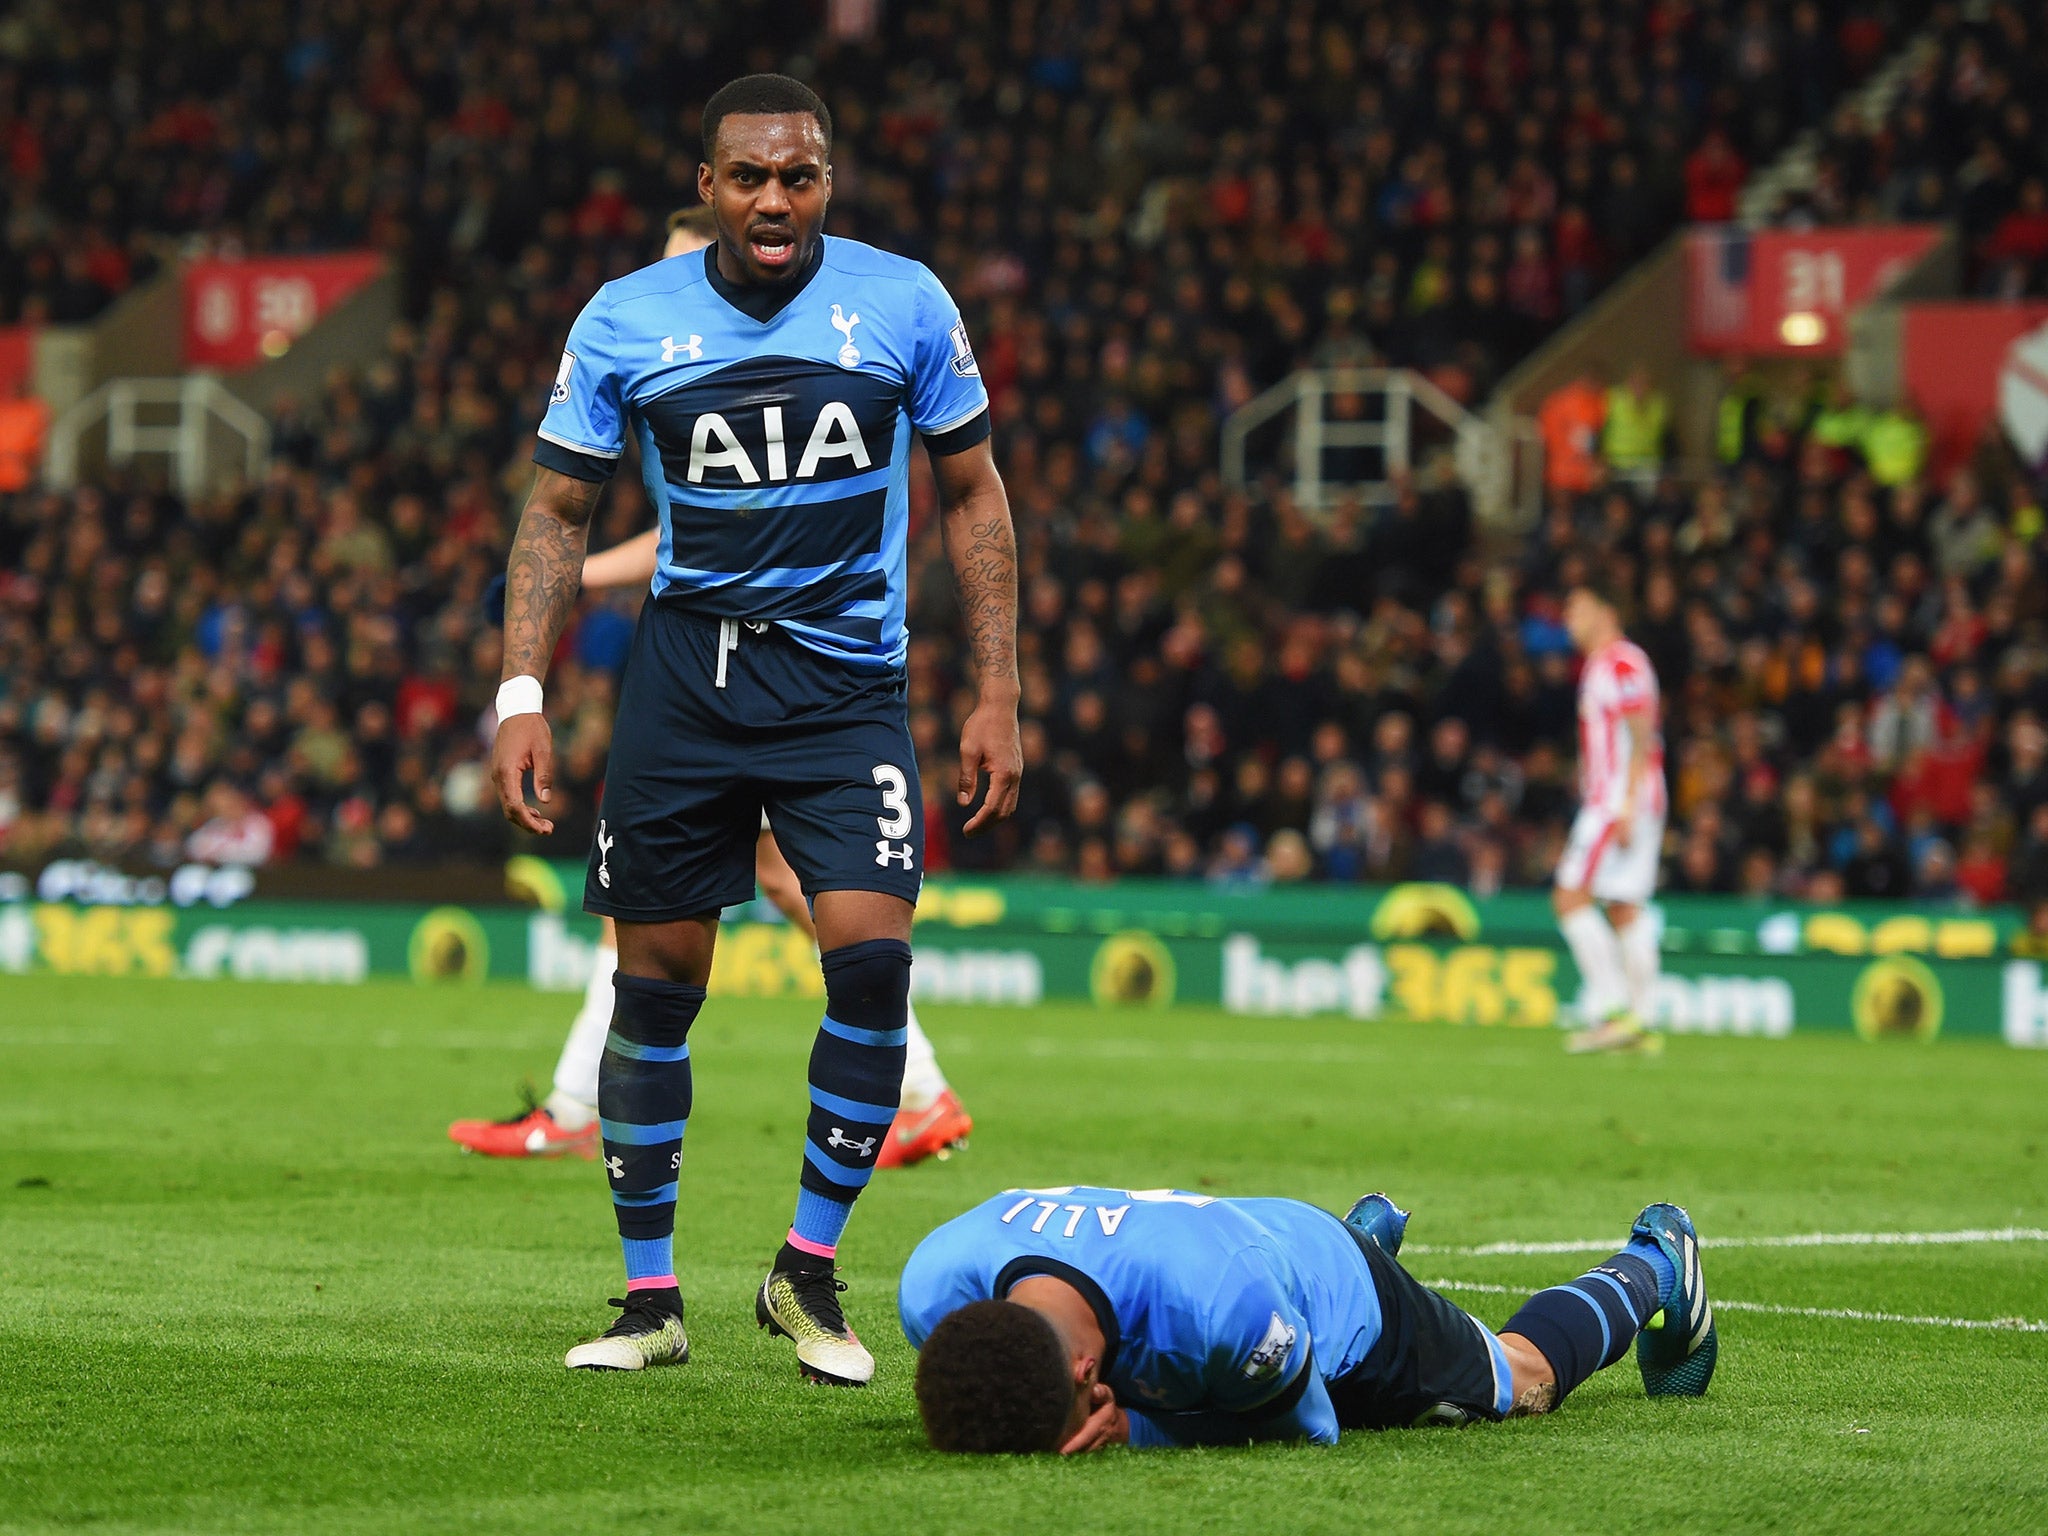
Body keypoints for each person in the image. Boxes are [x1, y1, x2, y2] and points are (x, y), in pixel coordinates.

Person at [491, 74, 1021, 1384]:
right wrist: (520, 690)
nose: (775, 200)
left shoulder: (905, 302)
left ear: (828, 181)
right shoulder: (626, 319)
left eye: (800, 175)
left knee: (872, 965)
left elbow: (974, 493)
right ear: (710, 186)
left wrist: (998, 685)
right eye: (750, 177)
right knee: (655, 989)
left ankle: (809, 1273)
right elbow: (554, 516)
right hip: (685, 683)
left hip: (846, 687)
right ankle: (648, 1300)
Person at [451, 206, 973, 1172]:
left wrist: (590, 579)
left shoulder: (792, 353)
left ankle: (577, 1106)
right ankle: (922, 1090)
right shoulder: (662, 353)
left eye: (681, 268)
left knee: (690, 903)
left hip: (792, 674)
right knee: (740, 890)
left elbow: (701, 540)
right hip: (713, 672)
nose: (673, 294)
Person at [901, 1185, 1716, 1453]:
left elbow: (1314, 1427)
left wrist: (1136, 1431)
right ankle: (1362, 1239)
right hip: (1240, 1245)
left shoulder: (1219, 1309)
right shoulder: (933, 1289)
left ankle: (1657, 1263)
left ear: (1089, 1376)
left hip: (1321, 1296)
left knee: (1518, 1381)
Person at [1554, 580, 1667, 1053]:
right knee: (1624, 908)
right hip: (1631, 799)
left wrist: (1626, 799)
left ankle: (1611, 1008)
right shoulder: (1609, 663)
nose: (1569, 620)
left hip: (1616, 801)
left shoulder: (1619, 660)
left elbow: (1640, 725)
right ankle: (1639, 1020)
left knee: (1570, 897)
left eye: (1577, 609)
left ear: (1606, 611)